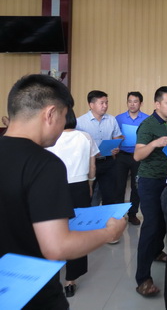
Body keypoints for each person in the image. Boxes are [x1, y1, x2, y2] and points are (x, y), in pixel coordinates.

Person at [0, 74, 126, 309]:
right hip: (32, 293)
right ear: (50, 114)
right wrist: (109, 232)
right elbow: (57, 247)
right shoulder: (44, 164)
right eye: (64, 117)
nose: (63, 128)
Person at [133, 86, 167, 297]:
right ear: (157, 104)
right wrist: (154, 143)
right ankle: (142, 278)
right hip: (150, 181)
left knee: (166, 221)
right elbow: (137, 155)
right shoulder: (147, 125)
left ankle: (156, 252)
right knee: (152, 225)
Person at [46, 108, 98, 298]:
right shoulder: (85, 137)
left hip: (54, 187)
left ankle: (50, 275)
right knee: (77, 231)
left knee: (52, 230)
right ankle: (71, 280)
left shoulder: (50, 137)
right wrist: (90, 183)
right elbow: (92, 166)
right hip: (80, 187)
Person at [76, 90, 122, 206]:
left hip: (108, 162)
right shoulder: (80, 122)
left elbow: (117, 137)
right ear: (91, 105)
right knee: (89, 194)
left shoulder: (111, 119)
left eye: (106, 102)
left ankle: (108, 217)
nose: (105, 106)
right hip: (89, 163)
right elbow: (77, 146)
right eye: (102, 103)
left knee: (110, 195)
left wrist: (116, 148)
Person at [115, 91, 149, 225]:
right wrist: (117, 139)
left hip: (138, 156)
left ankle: (132, 214)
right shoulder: (119, 118)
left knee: (136, 186)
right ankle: (118, 215)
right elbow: (113, 136)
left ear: (141, 103)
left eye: (135, 101)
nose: (132, 104)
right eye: (130, 101)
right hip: (122, 155)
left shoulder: (147, 119)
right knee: (119, 186)